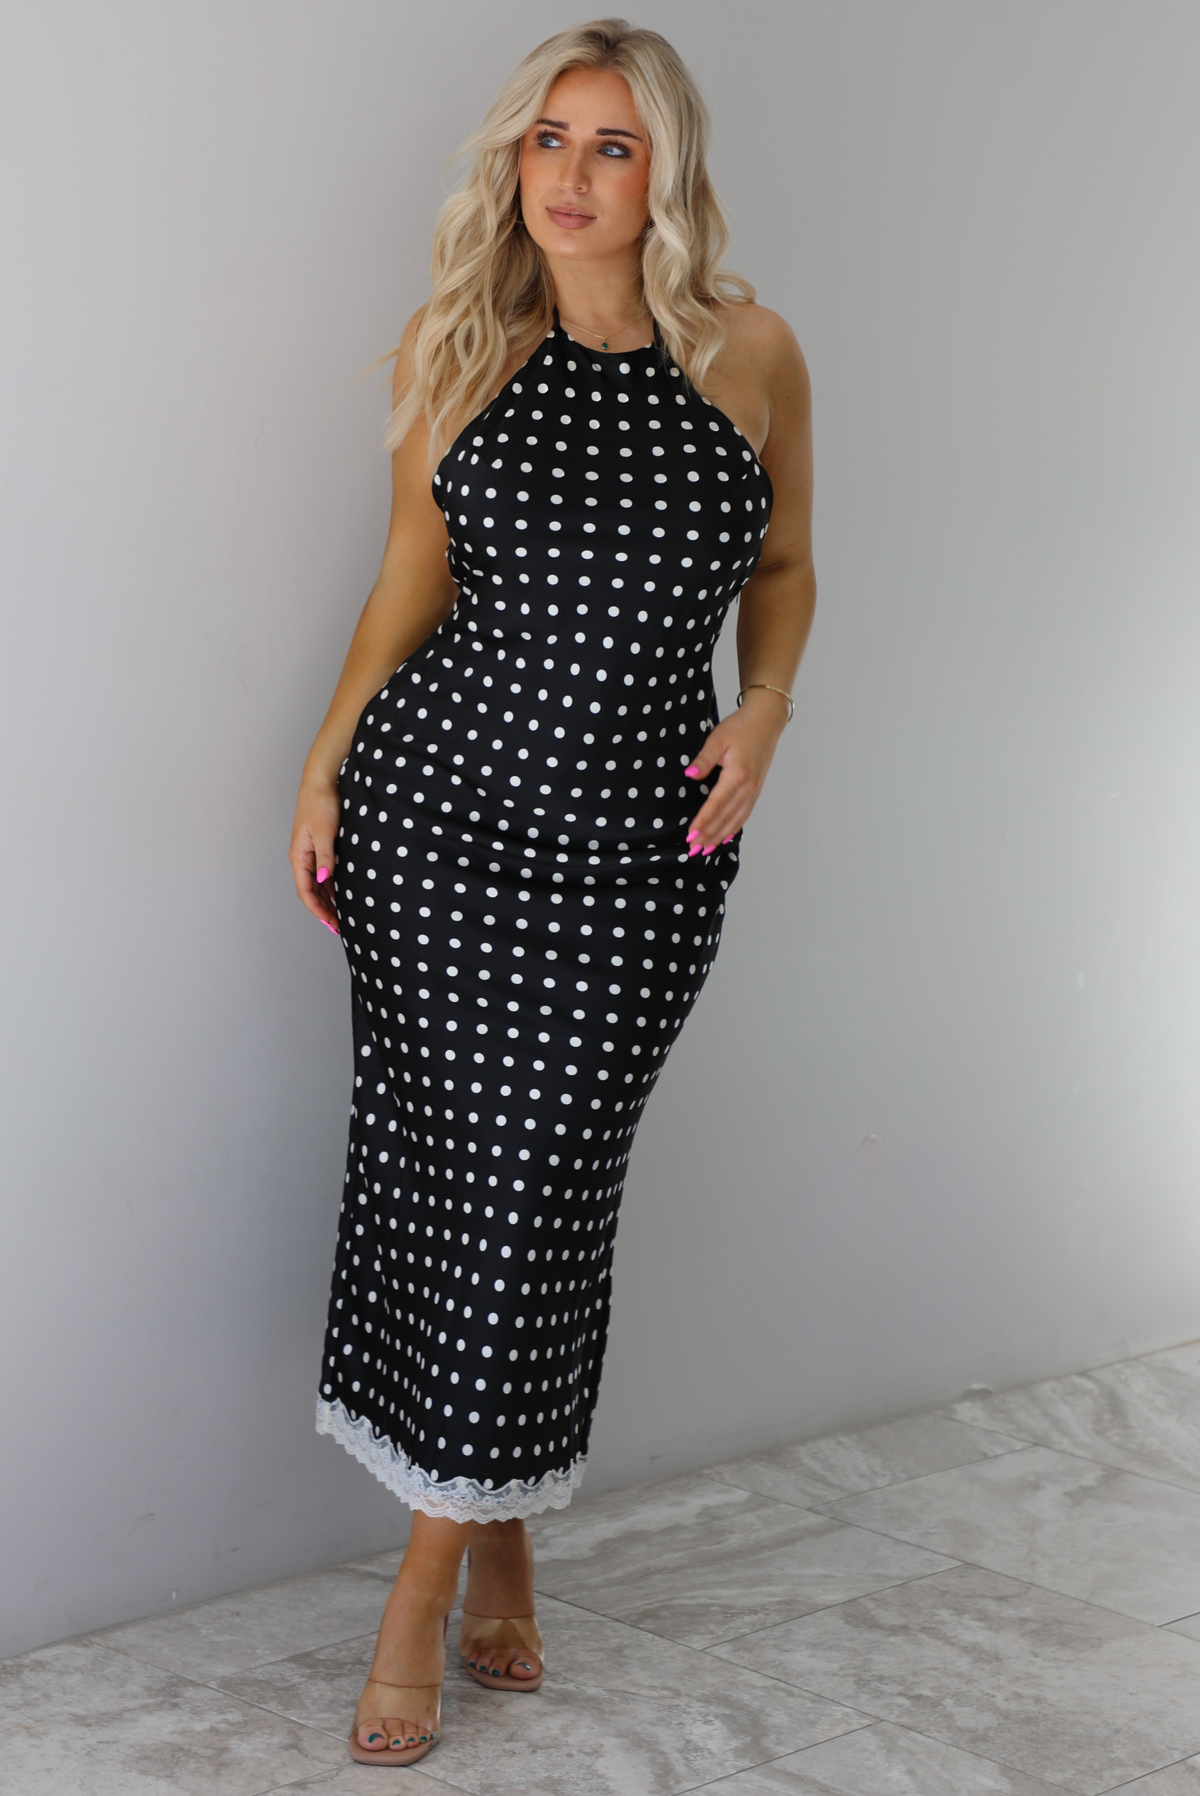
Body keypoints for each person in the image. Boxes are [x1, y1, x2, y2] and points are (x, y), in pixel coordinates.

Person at [288, 16, 815, 1768]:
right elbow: (403, 590)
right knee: (453, 1181)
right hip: (444, 819)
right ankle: (469, 1554)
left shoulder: (751, 352)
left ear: (665, 170)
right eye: (548, 142)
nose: (574, 178)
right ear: (512, 165)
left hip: (630, 853)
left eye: (612, 146)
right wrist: (323, 764)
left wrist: (763, 705)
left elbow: (792, 564)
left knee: (540, 1194)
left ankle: (444, 1568)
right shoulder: (462, 354)